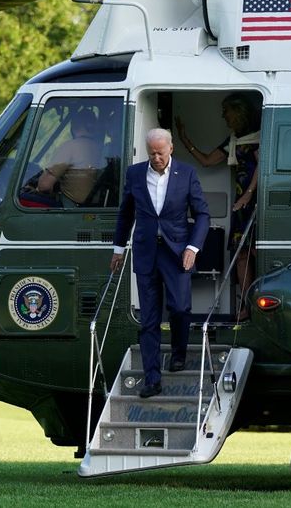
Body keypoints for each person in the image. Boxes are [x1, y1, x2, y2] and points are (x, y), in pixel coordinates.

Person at [111, 128, 210, 398]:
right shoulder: (135, 174)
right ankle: (151, 378)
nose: (156, 157)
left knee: (179, 307)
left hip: (177, 252)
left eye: (160, 152)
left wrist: (193, 247)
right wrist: (118, 248)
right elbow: (125, 214)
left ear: (171, 148)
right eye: (152, 153)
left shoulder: (186, 174)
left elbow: (202, 214)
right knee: (149, 319)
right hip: (145, 253)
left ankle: (179, 353)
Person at [176, 93, 260, 320]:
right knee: (241, 254)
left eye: (226, 112)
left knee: (256, 252)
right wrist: (184, 140)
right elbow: (207, 160)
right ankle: (248, 306)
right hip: (241, 202)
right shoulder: (234, 139)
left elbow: (263, 166)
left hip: (258, 201)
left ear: (239, 112)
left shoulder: (259, 135)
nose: (224, 117)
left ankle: (261, 307)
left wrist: (249, 195)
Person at [21, 108, 105, 207]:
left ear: (74, 126)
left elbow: (44, 186)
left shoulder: (71, 146)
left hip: (70, 207)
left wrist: (34, 188)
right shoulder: (100, 149)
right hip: (89, 207)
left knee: (21, 197)